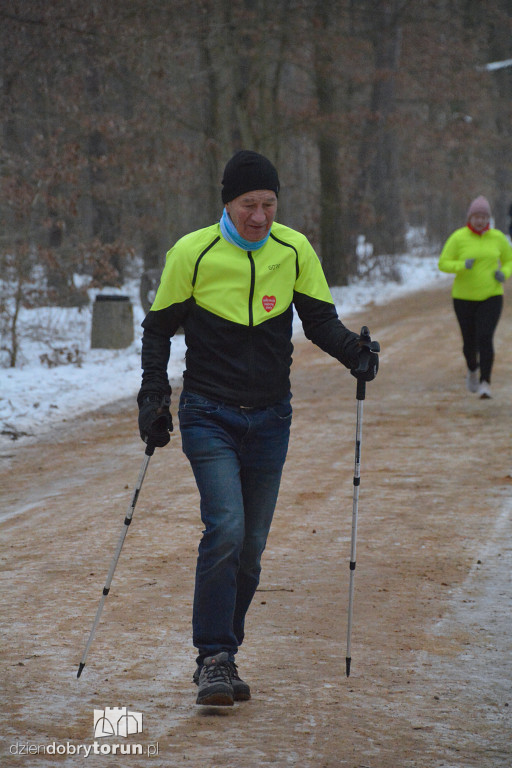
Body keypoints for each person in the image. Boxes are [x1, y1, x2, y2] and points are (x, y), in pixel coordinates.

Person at [137, 150, 379, 706]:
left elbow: (319, 321)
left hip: (271, 417)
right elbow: (157, 331)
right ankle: (214, 657)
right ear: (228, 202)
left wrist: (356, 355)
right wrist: (154, 396)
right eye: (250, 204)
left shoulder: (294, 250)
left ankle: (225, 652)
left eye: (269, 204)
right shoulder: (191, 254)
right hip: (208, 412)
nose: (260, 217)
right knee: (225, 528)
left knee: (250, 546)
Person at [438, 195, 512, 398]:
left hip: (491, 295)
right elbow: (443, 263)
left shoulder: (498, 238)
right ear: (470, 218)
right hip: (463, 298)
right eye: (476, 216)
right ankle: (472, 369)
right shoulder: (458, 237)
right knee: (469, 342)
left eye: (484, 217)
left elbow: (509, 260)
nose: (480, 221)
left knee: (485, 338)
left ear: (489, 219)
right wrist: (462, 266)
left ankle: (485, 382)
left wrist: (503, 273)